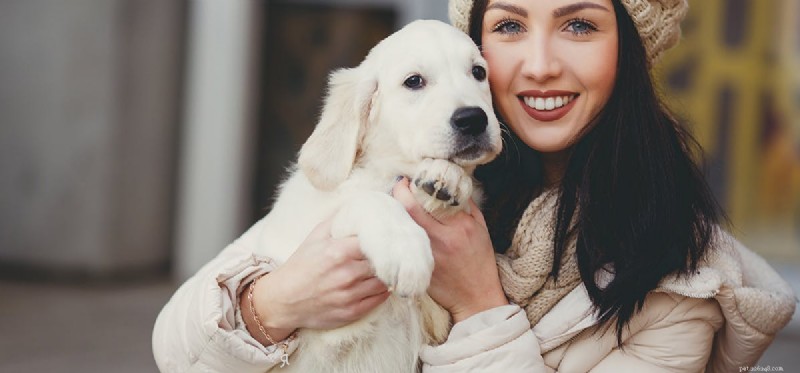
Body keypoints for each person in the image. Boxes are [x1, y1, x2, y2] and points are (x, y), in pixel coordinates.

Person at [153, 0, 797, 371]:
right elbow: (175, 348)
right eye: (510, 27)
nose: (541, 64)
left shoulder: (683, 282)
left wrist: (480, 304)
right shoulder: (404, 184)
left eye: (579, 25)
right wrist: (277, 305)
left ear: (631, 50)